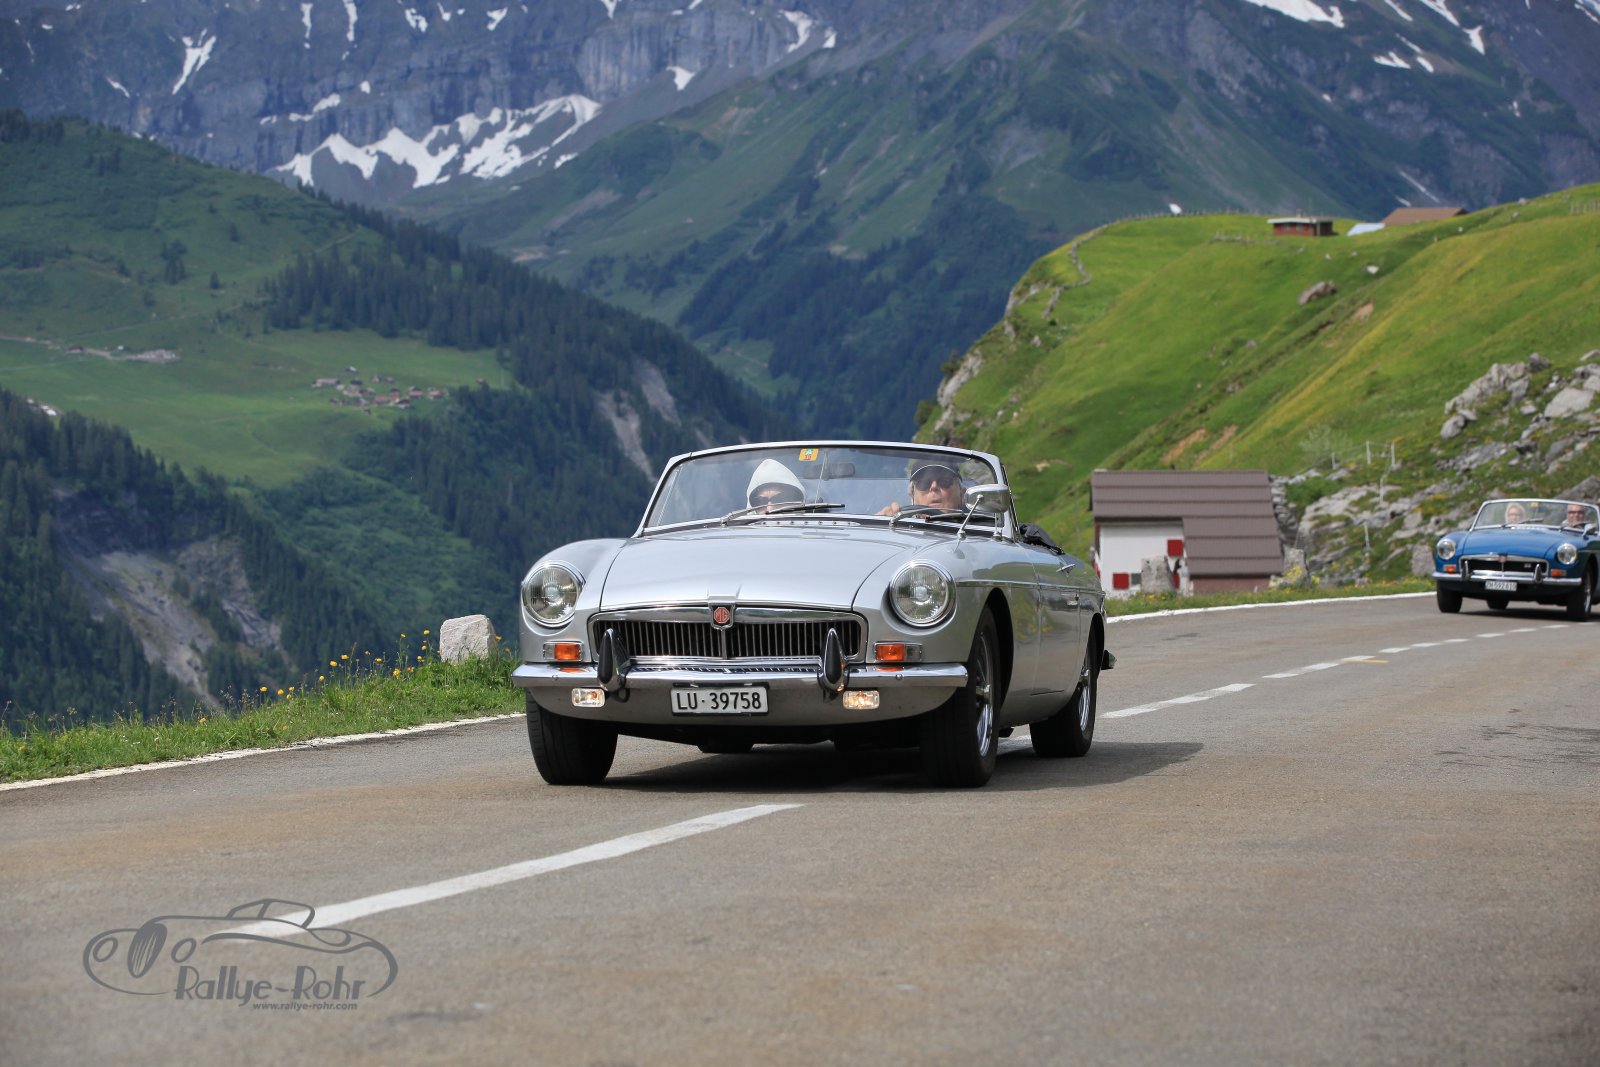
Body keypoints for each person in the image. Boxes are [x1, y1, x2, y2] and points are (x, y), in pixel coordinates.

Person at [879, 461, 965, 516]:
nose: (934, 486)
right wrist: (881, 525)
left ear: (962, 495)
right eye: (923, 483)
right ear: (912, 497)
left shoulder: (972, 532)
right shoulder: (900, 530)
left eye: (945, 481)